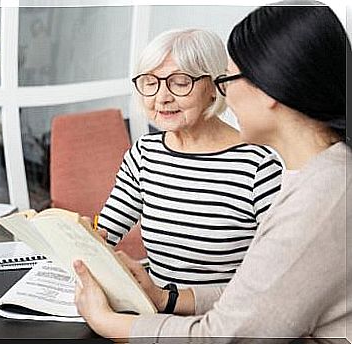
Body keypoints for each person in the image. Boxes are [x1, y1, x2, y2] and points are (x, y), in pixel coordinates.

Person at [74, 1, 351, 339]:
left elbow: (224, 334)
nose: (226, 93)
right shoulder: (316, 176)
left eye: (229, 79)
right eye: (150, 82)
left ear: (271, 87)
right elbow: (257, 297)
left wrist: (105, 321)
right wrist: (166, 298)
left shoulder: (320, 192)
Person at [96, 28, 283, 299]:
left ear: (216, 86)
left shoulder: (257, 167)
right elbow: (107, 229)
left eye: (180, 82)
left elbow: (278, 278)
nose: (162, 97)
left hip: (224, 321)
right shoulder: (145, 153)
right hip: (157, 312)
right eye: (150, 82)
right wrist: (75, 239)